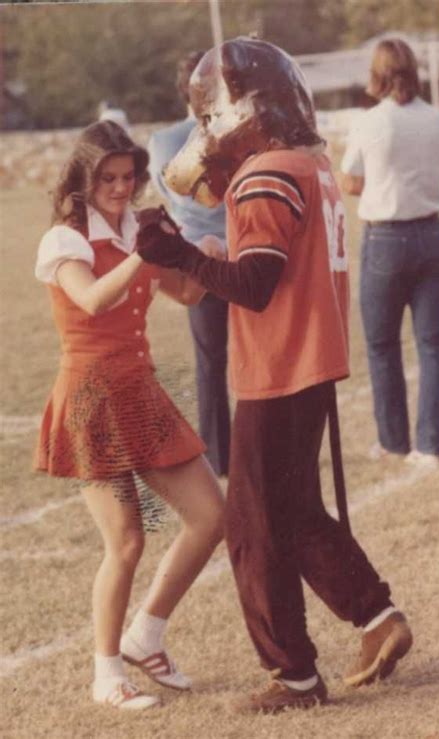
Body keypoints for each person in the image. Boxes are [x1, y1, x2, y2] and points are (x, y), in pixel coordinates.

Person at [133, 37, 413, 714]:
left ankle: (292, 674)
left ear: (243, 111)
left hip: (281, 363)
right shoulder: (306, 163)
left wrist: (181, 254)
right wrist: (201, 255)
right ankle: (378, 618)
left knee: (254, 525)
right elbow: (268, 265)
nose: (207, 134)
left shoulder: (264, 172)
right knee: (292, 511)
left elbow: (255, 283)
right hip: (307, 356)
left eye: (211, 117)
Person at [33, 120, 224, 710]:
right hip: (90, 398)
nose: (121, 188)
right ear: (84, 179)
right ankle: (106, 673)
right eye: (108, 178)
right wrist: (148, 250)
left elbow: (187, 294)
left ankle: (148, 635)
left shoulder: (137, 227)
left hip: (140, 392)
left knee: (211, 515)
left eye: (128, 177)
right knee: (126, 542)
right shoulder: (64, 240)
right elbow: (92, 298)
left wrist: (211, 256)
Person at [340, 38, 439, 467]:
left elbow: (350, 180)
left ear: (379, 74)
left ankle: (393, 441)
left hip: (386, 239)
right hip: (431, 235)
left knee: (383, 345)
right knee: (433, 344)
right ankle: (430, 445)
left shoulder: (371, 122)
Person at [147, 51, 231, 477]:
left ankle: (219, 455)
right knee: (257, 357)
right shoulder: (233, 132)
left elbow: (166, 193)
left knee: (210, 362)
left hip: (197, 260)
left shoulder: (162, 141)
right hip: (245, 252)